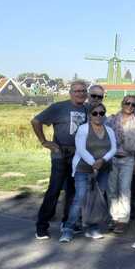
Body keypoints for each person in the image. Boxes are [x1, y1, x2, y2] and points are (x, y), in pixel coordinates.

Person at [33, 80, 88, 240]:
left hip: (77, 155)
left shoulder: (86, 109)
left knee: (72, 190)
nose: (80, 93)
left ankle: (67, 222)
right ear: (70, 93)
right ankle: (41, 226)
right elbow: (36, 121)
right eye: (77, 91)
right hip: (60, 153)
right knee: (55, 189)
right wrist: (45, 142)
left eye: (83, 91)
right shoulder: (59, 107)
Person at [59, 102, 117, 243]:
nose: (98, 116)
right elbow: (81, 149)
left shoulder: (109, 130)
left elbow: (114, 148)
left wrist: (102, 160)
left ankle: (92, 228)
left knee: (96, 198)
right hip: (83, 169)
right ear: (90, 115)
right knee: (80, 198)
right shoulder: (83, 129)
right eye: (95, 113)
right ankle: (68, 229)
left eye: (101, 113)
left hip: (103, 169)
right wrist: (94, 163)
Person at [108, 95, 135, 234]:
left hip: (128, 159)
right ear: (122, 103)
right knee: (112, 189)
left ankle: (122, 220)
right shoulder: (111, 120)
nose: (130, 106)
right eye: (127, 103)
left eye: (133, 105)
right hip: (112, 159)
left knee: (124, 190)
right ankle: (113, 217)